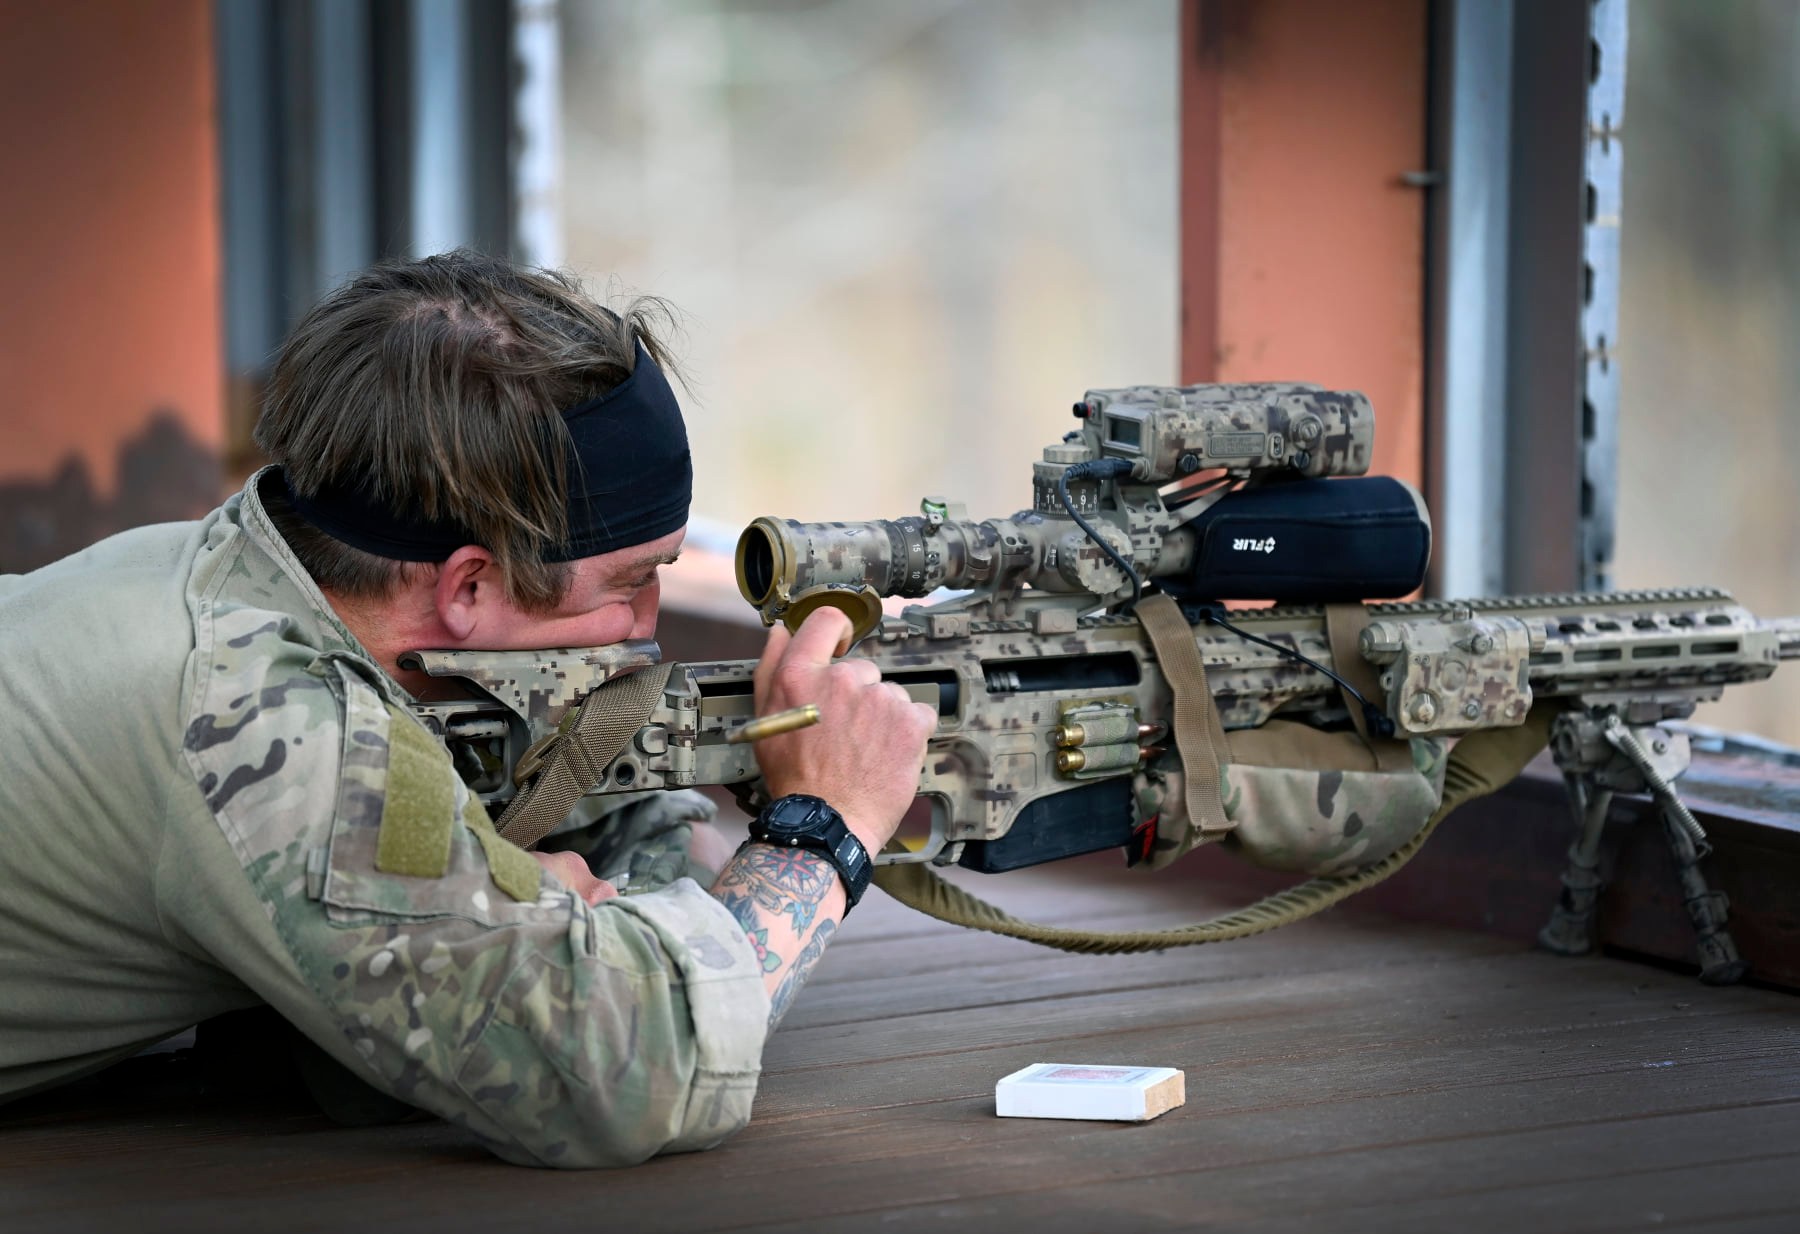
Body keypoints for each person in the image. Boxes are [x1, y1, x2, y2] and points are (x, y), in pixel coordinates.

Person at [0, 252, 936, 1167]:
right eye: (634, 581)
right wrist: (825, 828)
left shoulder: (222, 567)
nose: (647, 628)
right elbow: (624, 1072)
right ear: (470, 588)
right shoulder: (269, 728)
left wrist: (515, 891)